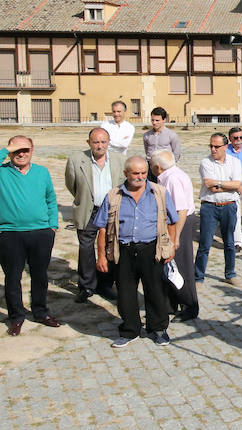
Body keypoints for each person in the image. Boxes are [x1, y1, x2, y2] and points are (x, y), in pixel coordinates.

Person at [94, 156, 178, 348]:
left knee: (155, 290)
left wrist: (171, 246)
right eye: (135, 173)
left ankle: (158, 329)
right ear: (126, 174)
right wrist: (101, 255)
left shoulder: (159, 193)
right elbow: (102, 228)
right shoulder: (113, 195)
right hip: (123, 250)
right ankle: (130, 329)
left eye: (143, 173)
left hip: (152, 250)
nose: (140, 177)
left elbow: (172, 221)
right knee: (125, 292)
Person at [0, 136, 61, 336]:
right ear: (10, 151)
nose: (21, 153)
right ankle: (16, 317)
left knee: (40, 275)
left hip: (41, 233)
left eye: (25, 149)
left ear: (32, 150)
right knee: (12, 278)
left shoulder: (42, 172)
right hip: (10, 234)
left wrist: (52, 226)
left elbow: (51, 199)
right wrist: (6, 148)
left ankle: (40, 312)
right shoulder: (3, 172)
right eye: (16, 149)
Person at [66, 128, 124, 303]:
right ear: (89, 143)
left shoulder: (119, 160)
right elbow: (72, 184)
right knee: (86, 248)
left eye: (103, 142)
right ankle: (86, 286)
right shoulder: (76, 160)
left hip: (110, 210)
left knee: (109, 247)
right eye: (96, 142)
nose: (100, 146)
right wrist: (84, 198)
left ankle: (105, 284)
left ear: (109, 142)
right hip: (88, 210)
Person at [149, 150, 198, 322]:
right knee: (168, 264)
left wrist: (175, 236)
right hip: (173, 224)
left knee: (182, 265)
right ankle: (170, 302)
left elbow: (181, 210)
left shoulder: (172, 179)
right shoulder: (170, 175)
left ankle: (189, 305)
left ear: (157, 167)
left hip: (179, 225)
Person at [194, 133, 242, 288]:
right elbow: (211, 186)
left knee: (229, 242)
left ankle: (230, 274)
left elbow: (237, 183)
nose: (213, 149)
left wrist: (220, 184)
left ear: (225, 147)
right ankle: (198, 276)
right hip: (210, 206)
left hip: (229, 206)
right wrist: (230, 185)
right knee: (205, 243)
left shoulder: (235, 162)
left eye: (216, 146)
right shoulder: (205, 163)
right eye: (211, 146)